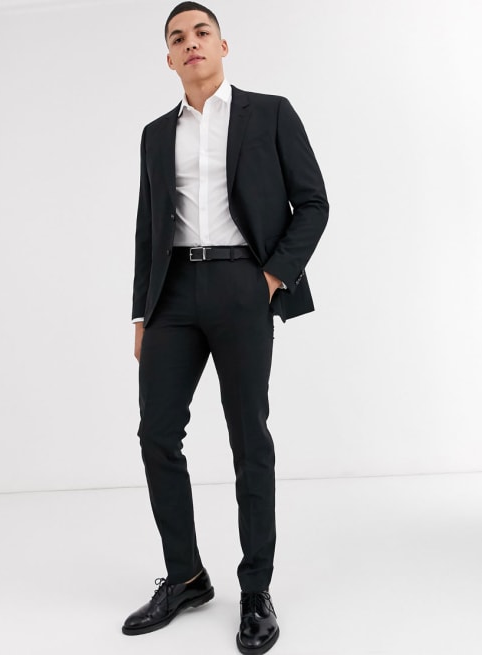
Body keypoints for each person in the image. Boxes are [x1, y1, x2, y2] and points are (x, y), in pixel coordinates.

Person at [122, 3, 329, 653]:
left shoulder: (270, 113)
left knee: (248, 438)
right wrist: (140, 312)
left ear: (222, 45)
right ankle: (185, 576)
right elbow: (148, 226)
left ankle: (256, 589)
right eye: (177, 38)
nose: (191, 44)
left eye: (201, 32)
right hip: (173, 295)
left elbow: (312, 202)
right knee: (156, 434)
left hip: (243, 283)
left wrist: (270, 278)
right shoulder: (156, 134)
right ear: (168, 58)